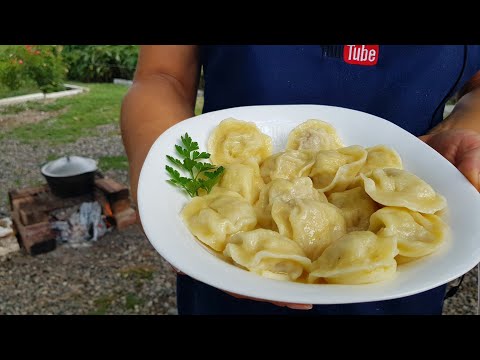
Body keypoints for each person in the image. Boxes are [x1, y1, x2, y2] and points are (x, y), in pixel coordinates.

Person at [121, 45, 480, 315]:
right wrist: (157, 172)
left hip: (403, 278)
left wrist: (463, 126)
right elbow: (161, 75)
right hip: (223, 274)